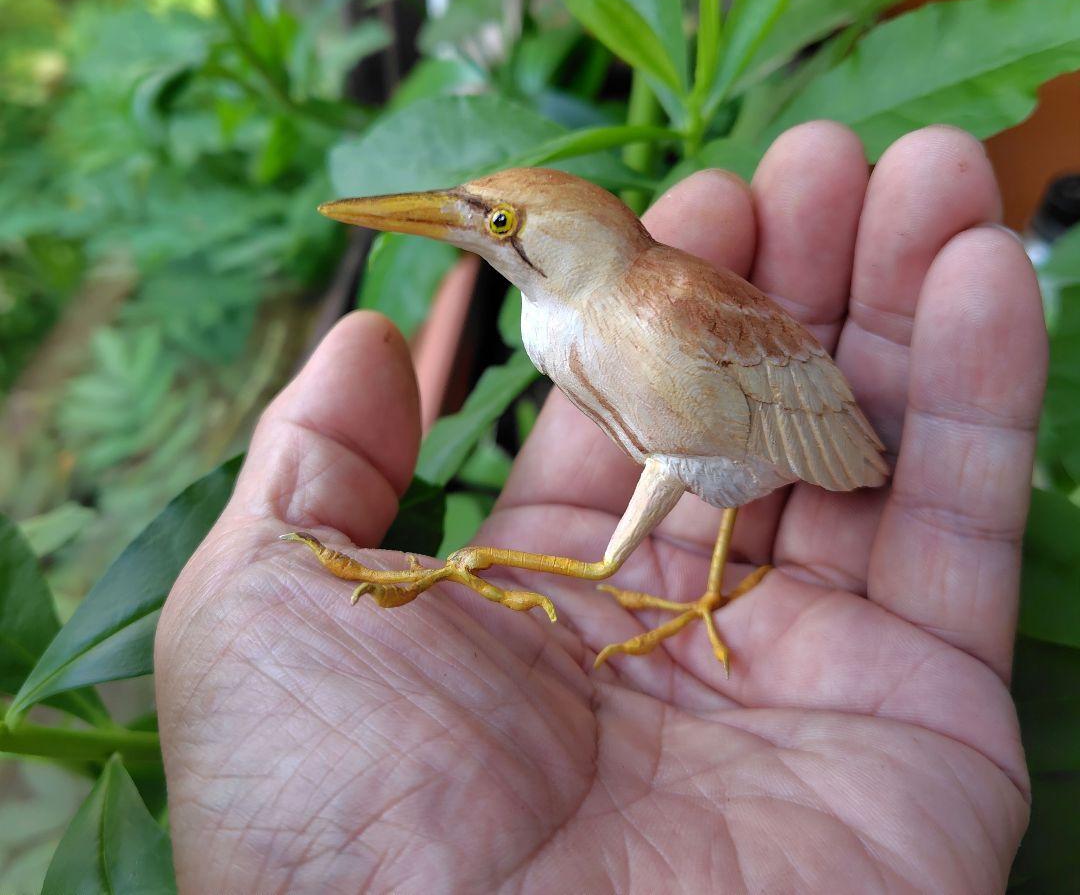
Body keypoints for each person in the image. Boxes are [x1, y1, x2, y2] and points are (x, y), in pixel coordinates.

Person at [156, 123, 1044, 893]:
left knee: (612, 557)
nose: (477, 229)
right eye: (481, 216)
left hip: (769, 451)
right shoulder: (555, 322)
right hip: (706, 449)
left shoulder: (669, 316)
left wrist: (463, 561)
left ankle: (496, 572)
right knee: (685, 472)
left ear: (566, 242)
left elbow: (724, 455)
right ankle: (703, 593)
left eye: (498, 222)